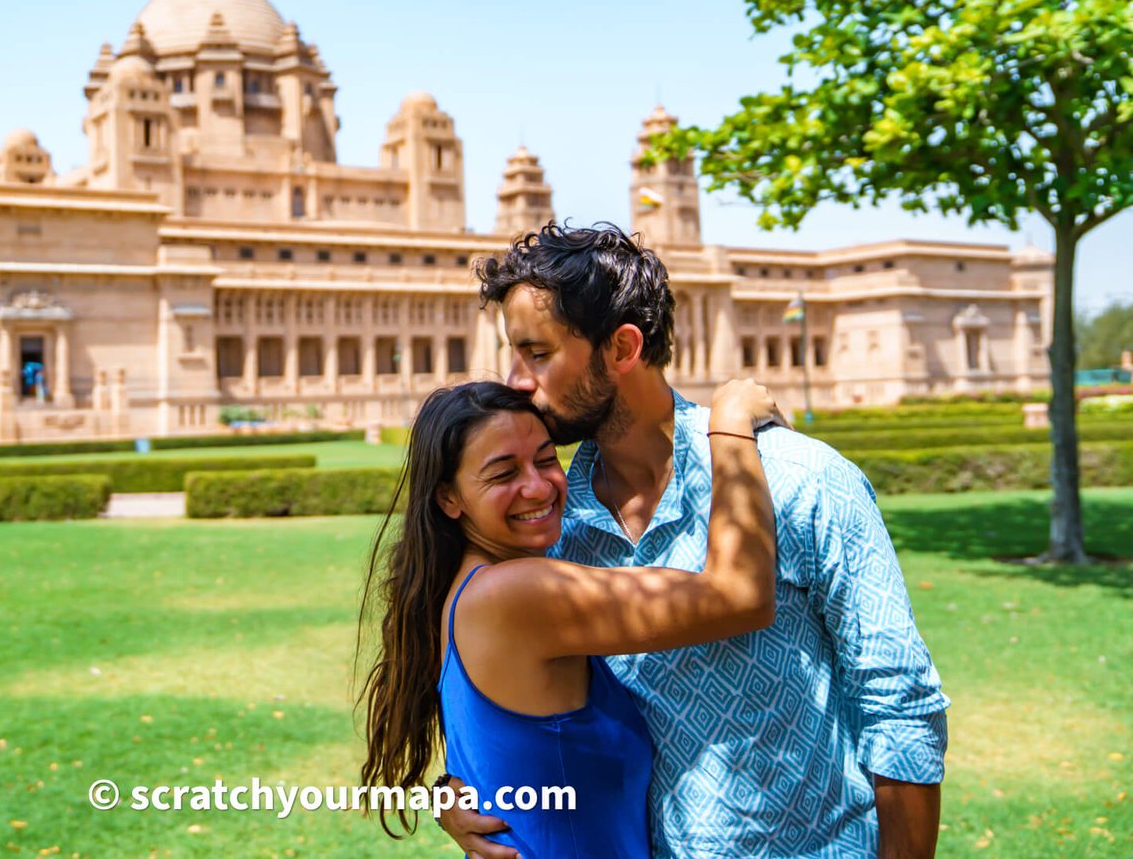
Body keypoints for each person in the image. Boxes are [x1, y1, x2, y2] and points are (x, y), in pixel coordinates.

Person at [437, 223, 947, 858]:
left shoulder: (801, 479)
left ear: (622, 348)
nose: (516, 379)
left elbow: (900, 707)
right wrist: (460, 791)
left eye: (536, 354)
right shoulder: (550, 525)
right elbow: (506, 702)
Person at [359, 377, 782, 856]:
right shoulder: (515, 594)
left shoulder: (465, 587)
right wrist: (727, 424)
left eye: (545, 460)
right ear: (448, 498)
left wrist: (447, 793)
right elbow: (740, 595)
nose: (538, 487)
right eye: (502, 474)